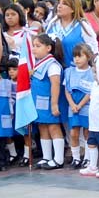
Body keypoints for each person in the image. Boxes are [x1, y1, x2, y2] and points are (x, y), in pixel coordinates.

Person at [31, 33, 65, 170]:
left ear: (49, 48)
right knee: (42, 127)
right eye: (33, 46)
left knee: (53, 127)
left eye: (38, 46)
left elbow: (55, 84)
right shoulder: (38, 63)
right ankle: (47, 156)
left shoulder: (52, 65)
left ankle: (59, 159)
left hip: (49, 102)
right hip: (39, 103)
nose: (34, 49)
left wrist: (54, 104)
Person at [45, 0, 98, 68]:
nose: (59, 6)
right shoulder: (53, 23)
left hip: (75, 73)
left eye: (64, 4)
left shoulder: (82, 26)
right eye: (59, 2)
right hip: (53, 72)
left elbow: (93, 49)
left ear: (73, 9)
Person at [63, 43, 94, 168]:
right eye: (75, 56)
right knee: (74, 133)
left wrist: (80, 105)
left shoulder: (91, 72)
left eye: (80, 56)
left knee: (87, 132)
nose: (76, 59)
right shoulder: (69, 72)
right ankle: (76, 158)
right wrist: (72, 104)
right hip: (73, 106)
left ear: (88, 57)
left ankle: (87, 157)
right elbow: (67, 90)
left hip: (86, 105)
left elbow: (90, 92)